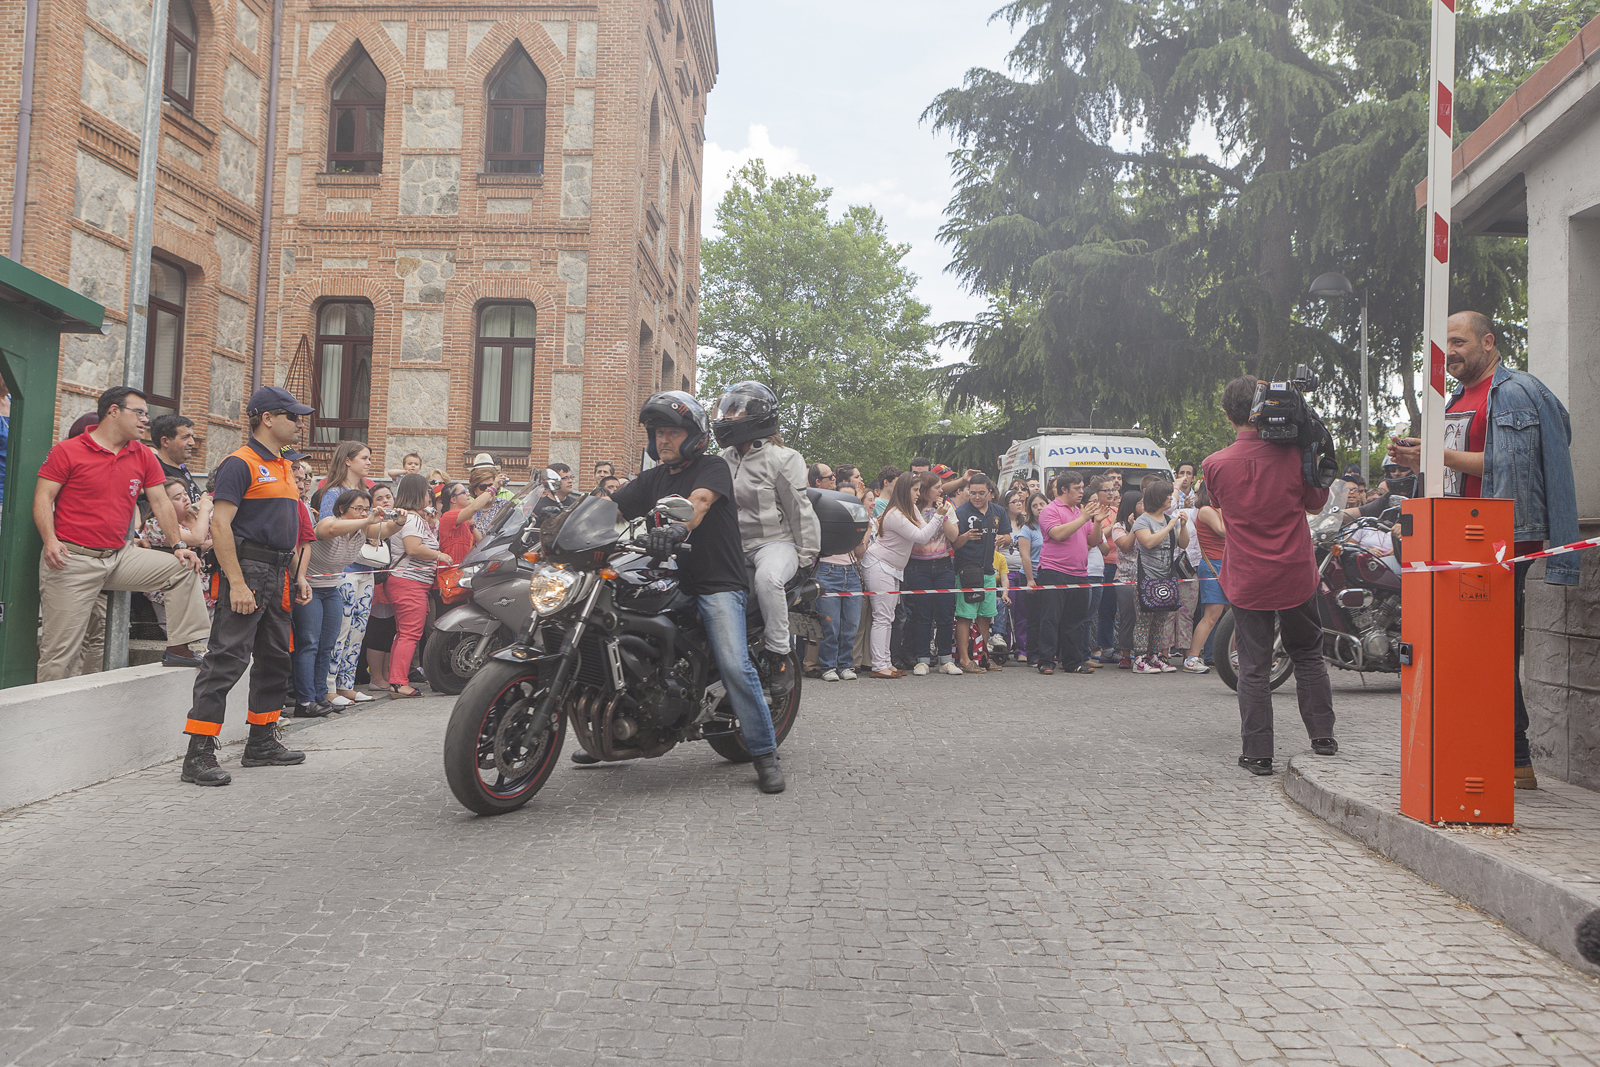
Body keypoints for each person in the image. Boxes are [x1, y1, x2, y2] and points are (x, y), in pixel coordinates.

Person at [1389, 311, 1579, 790]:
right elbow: (1457, 467)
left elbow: (1505, 463)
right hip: (1458, 537)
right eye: (1445, 344)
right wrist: (1420, 459)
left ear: (1488, 342)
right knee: (1472, 646)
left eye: (1459, 342)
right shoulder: (1455, 397)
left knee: (1488, 647)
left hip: (1500, 540)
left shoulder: (1515, 391)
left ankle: (1514, 757)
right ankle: (1497, 753)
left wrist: (1437, 455)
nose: (1450, 352)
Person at [603, 391, 786, 793]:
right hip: (671, 580)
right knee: (612, 634)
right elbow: (610, 508)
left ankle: (763, 752)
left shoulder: (713, 467)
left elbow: (698, 504)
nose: (663, 439)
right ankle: (608, 734)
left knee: (734, 663)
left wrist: (676, 528)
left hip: (717, 583)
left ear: (694, 436)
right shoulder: (652, 478)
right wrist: (563, 517)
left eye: (672, 432)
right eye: (658, 433)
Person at [177, 386, 318, 786]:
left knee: (275, 659)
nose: (299, 423)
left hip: (278, 573)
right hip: (249, 571)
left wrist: (297, 574)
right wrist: (237, 583)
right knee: (226, 659)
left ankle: (261, 743)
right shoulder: (240, 463)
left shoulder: (285, 465)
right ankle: (198, 754)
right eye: (292, 416)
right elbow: (220, 525)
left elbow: (285, 531)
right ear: (267, 418)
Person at [1204, 376, 1335, 776]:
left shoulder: (1214, 464)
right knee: (1308, 653)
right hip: (1295, 572)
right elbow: (1316, 504)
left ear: (1229, 416)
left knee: (1254, 666)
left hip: (1247, 577)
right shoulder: (1295, 456)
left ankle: (1258, 753)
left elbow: (1219, 504)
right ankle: (1323, 737)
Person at [34, 386, 211, 681]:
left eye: (146, 414)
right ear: (113, 411)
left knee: (183, 567)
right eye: (139, 412)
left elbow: (160, 502)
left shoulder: (142, 454)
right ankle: (46, 708)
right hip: (72, 559)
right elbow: (43, 498)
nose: (146, 420)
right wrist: (50, 541)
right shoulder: (67, 451)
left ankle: (181, 648)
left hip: (119, 556)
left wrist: (178, 544)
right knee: (59, 653)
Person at [713, 382, 821, 698]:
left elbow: (800, 509)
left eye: (734, 411)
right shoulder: (723, 458)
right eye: (726, 410)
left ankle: (778, 656)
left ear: (758, 416)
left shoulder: (783, 458)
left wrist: (806, 558)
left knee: (769, 579)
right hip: (733, 546)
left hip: (774, 543)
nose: (726, 417)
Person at [295, 488, 402, 715]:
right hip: (310, 587)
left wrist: (400, 521)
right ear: (342, 509)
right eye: (358, 509)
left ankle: (321, 695)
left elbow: (385, 530)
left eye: (366, 509)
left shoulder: (362, 529)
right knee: (310, 643)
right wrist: (367, 519)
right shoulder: (329, 522)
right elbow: (329, 530)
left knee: (328, 644)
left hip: (331, 588)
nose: (363, 513)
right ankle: (304, 700)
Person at [860, 472, 951, 680]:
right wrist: (939, 515)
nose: (919, 494)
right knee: (882, 618)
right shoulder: (896, 514)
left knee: (888, 617)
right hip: (880, 565)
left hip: (891, 567)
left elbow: (923, 529)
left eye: (919, 490)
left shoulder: (908, 510)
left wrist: (935, 516)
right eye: (915, 490)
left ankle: (885, 662)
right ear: (904, 490)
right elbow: (922, 537)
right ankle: (879, 664)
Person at [1031, 472, 1104, 675]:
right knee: (1050, 618)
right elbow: (1058, 534)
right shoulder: (1050, 510)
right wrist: (1083, 518)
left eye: (1082, 487)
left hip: (1080, 572)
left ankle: (1073, 662)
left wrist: (1097, 522)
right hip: (1054, 571)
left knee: (1076, 620)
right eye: (1077, 488)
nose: (1081, 492)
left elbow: (1093, 541)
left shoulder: (1080, 512)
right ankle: (1046, 661)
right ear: (1064, 489)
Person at [386, 473, 449, 697]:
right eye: (426, 492)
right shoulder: (411, 519)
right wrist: (439, 555)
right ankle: (398, 683)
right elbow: (413, 548)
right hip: (409, 582)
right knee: (410, 633)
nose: (429, 496)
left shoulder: (411, 518)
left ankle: (396, 680)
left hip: (407, 582)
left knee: (404, 633)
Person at [902, 473, 962, 676]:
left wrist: (942, 514)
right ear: (925, 490)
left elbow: (953, 536)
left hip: (943, 564)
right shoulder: (912, 509)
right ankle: (922, 659)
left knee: (945, 613)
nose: (941, 490)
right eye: (936, 487)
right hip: (918, 565)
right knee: (922, 613)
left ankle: (946, 659)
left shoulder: (947, 507)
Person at [952, 473, 1011, 674]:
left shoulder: (998, 511)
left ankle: (982, 656)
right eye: (973, 493)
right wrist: (966, 536)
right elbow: (954, 543)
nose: (976, 497)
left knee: (986, 615)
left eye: (981, 493)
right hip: (967, 570)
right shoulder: (961, 512)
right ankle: (964, 659)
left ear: (990, 493)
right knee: (965, 615)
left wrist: (1003, 539)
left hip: (989, 570)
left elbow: (1008, 536)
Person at [1130, 481, 1187, 675]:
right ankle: (1139, 658)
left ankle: (1154, 655)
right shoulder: (1143, 521)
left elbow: (1183, 544)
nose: (1171, 498)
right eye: (1167, 495)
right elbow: (1148, 542)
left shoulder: (1171, 520)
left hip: (1166, 576)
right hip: (1146, 576)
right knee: (1144, 618)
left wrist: (1182, 527)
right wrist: (1169, 526)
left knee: (1161, 619)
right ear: (1157, 498)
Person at [815, 497, 867, 683]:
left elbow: (860, 551)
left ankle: (845, 665)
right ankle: (828, 666)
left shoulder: (856, 520)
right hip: (827, 570)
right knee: (831, 625)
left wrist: (864, 530)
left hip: (851, 571)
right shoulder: (825, 515)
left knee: (851, 625)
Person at [360, 484, 399, 691]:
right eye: (379, 498)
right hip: (376, 582)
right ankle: (375, 676)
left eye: (388, 497)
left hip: (393, 582)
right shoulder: (371, 523)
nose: (385, 501)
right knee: (377, 629)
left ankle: (385, 673)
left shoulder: (398, 520)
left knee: (390, 629)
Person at [1185, 484, 1227, 673]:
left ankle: (1232, 654)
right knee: (1212, 615)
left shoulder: (1217, 509)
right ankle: (1192, 658)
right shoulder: (1206, 510)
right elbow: (1223, 530)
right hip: (1213, 565)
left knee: (1234, 614)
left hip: (1227, 563)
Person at [148, 414, 202, 504]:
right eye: (185, 437)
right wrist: (202, 504)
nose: (192, 443)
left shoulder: (181, 467)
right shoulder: (157, 473)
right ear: (165, 441)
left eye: (192, 437)